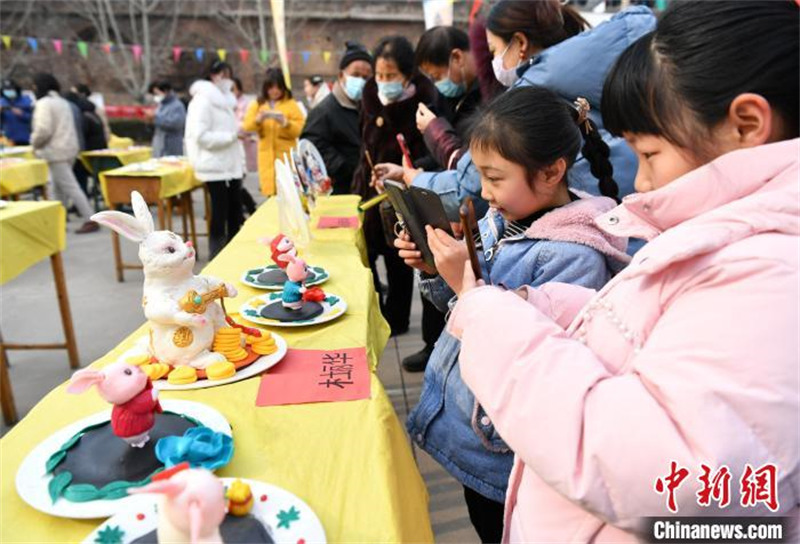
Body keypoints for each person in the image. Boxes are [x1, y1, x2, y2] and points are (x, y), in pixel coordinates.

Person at [448, 1, 799, 541]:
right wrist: (553, 310)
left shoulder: (770, 274)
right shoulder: (742, 239)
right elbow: (659, 342)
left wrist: (495, 323)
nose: (641, 185)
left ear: (746, 124)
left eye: (651, 154)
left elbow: (666, 471)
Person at [397, 86, 629, 542]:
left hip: (506, 453)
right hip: (471, 429)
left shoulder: (575, 257)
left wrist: (466, 279)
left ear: (551, 172)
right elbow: (461, 314)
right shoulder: (503, 217)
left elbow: (537, 368)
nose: (484, 192)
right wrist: (438, 269)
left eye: (495, 177)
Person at [400, 1, 654, 253]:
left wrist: (416, 180)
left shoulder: (530, 95)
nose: (487, 193)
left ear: (520, 43)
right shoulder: (601, 69)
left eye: (493, 51)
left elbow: (466, 190)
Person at [351, 35, 443, 336]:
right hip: (369, 188)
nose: (383, 81)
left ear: (407, 75)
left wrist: (406, 173)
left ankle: (397, 320)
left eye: (391, 76)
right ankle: (374, 312)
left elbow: (431, 155)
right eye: (379, 75)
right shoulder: (369, 97)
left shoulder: (424, 104)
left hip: (404, 194)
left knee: (400, 259)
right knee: (366, 255)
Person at [185, 61, 244, 257]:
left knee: (234, 211)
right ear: (213, 75)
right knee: (219, 213)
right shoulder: (203, 100)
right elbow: (200, 136)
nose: (227, 79)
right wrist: (231, 137)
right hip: (213, 165)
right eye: (223, 74)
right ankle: (217, 253)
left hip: (229, 163)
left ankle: (234, 251)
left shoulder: (225, 101)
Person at [300, 41, 373, 195]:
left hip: (367, 188)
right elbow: (310, 145)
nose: (361, 81)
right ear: (341, 75)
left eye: (366, 77)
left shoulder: (369, 108)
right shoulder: (324, 111)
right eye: (355, 75)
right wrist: (343, 167)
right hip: (340, 190)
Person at [30, 73, 98, 233]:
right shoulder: (62, 102)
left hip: (55, 151)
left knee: (69, 187)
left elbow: (43, 130)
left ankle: (90, 218)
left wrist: (34, 143)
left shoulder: (44, 104)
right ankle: (59, 220)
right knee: (57, 187)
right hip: (69, 149)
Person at [414, 26, 483, 170]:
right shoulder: (447, 94)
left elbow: (467, 164)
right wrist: (416, 170)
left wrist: (433, 128)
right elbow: (439, 157)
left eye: (438, 76)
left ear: (457, 57)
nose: (437, 83)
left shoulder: (491, 91)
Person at [242, 68, 305, 197]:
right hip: (266, 158)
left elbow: (300, 129)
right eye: (271, 87)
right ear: (265, 88)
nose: (274, 91)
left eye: (278, 87)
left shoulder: (291, 104)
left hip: (286, 157)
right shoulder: (257, 104)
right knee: (271, 195)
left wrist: (286, 123)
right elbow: (247, 126)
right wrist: (258, 120)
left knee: (289, 192)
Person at [65, 89, 107, 198]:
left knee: (80, 176)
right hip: (98, 151)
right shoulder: (94, 116)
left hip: (88, 154)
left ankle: (83, 197)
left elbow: (81, 134)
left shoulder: (84, 118)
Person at [232, 77, 258, 216]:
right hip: (231, 147)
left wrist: (232, 132)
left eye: (234, 89)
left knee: (238, 181)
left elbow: (246, 125)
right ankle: (248, 207)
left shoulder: (247, 103)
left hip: (243, 146)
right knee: (236, 184)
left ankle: (249, 206)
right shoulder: (225, 103)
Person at [148, 81, 186, 158]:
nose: (155, 96)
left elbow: (177, 124)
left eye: (157, 93)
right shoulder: (160, 105)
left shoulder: (177, 106)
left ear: (165, 91)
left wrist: (156, 117)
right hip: (159, 145)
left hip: (171, 145)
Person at [0, 79, 33, 145]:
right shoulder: (2, 101)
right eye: (6, 90)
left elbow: (33, 118)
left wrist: (22, 114)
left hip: (25, 138)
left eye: (11, 89)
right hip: (8, 139)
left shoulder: (26, 100)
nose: (8, 92)